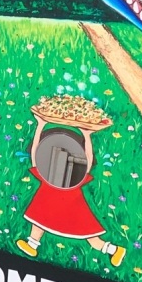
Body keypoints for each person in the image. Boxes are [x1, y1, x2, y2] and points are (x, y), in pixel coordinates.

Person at [16, 113, 126, 266]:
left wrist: (86, 136)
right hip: (49, 210)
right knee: (38, 223)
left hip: (73, 213)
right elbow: (36, 153)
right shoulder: (48, 175)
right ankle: (32, 245)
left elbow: (87, 160)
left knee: (92, 239)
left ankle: (114, 250)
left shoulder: (73, 180)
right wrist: (40, 126)